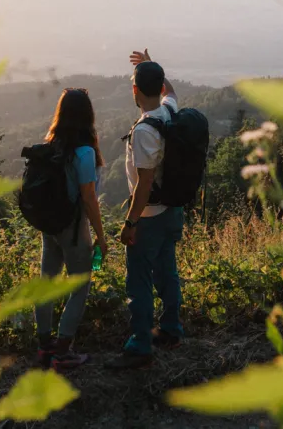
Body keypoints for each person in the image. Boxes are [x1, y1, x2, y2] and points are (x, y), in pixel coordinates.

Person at [106, 49, 184, 370]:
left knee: (138, 281)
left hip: (149, 216)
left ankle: (140, 345)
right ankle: (170, 329)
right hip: (172, 211)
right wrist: (152, 67)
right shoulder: (169, 112)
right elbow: (172, 93)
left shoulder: (143, 130)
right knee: (167, 271)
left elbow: (144, 183)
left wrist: (130, 222)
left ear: (135, 91)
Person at [35, 87, 108, 371]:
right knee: (80, 285)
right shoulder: (84, 152)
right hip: (74, 227)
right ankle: (63, 352)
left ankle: (44, 347)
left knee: (46, 283)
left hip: (49, 224)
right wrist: (101, 237)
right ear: (88, 116)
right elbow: (89, 199)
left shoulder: (52, 145)